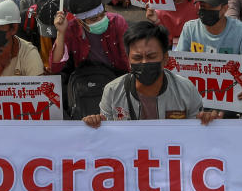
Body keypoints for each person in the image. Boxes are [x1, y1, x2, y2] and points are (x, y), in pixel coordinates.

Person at [83, 21, 221, 126]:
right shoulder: (113, 91)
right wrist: (95, 124)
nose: (144, 62)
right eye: (137, 58)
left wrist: (206, 122)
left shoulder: (185, 89)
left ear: (165, 58)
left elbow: (195, 133)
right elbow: (106, 137)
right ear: (128, 59)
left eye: (151, 56)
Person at [175, 0, 242, 105]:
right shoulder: (190, 28)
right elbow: (178, 63)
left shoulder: (241, 30)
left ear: (225, 8)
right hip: (197, 95)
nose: (205, 11)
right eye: (202, 6)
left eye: (211, 7)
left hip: (230, 96)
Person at [50, 0, 130, 74]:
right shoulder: (71, 29)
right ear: (80, 21)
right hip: (87, 77)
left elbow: (127, 55)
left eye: (102, 15)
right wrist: (61, 32)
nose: (101, 20)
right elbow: (55, 66)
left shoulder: (117, 21)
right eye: (94, 19)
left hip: (116, 73)